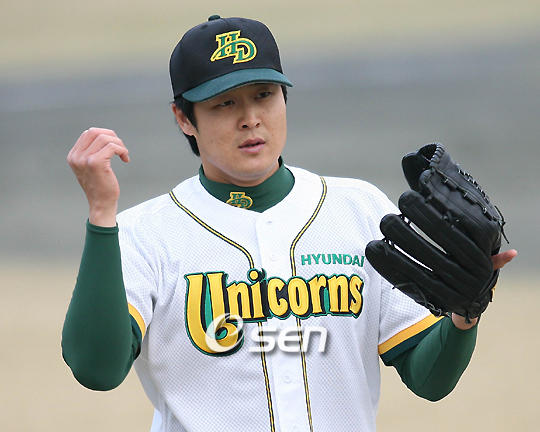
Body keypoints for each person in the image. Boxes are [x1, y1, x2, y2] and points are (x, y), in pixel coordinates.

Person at [62, 15, 517, 432]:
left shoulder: (357, 209)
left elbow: (428, 378)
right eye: (224, 103)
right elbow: (96, 368)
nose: (250, 119)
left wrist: (464, 317)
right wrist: (101, 215)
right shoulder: (146, 233)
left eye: (264, 95)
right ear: (184, 118)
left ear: (284, 98)